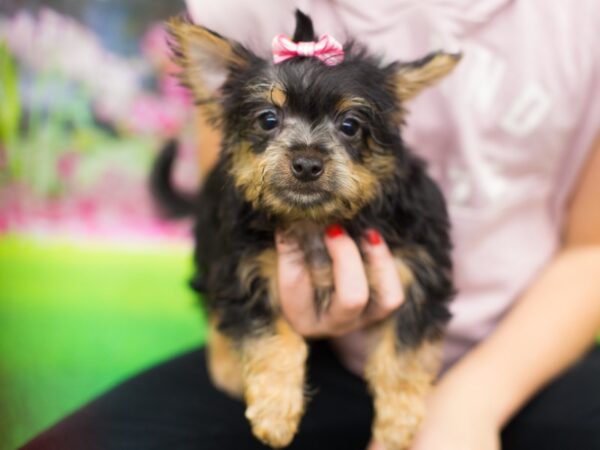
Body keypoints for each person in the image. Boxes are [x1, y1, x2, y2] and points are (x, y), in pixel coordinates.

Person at [24, 1, 600, 449]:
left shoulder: (578, 22)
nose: (306, 154)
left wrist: (467, 404)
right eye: (271, 121)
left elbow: (590, 252)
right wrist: (262, 335)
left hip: (527, 351)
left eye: (348, 127)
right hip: (306, 351)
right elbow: (221, 226)